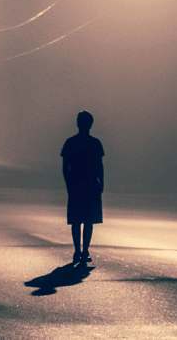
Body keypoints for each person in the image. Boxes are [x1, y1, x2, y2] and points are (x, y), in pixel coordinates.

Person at [61, 110, 104, 266]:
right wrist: (102, 182)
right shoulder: (95, 143)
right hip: (91, 184)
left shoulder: (70, 143)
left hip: (76, 184)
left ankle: (78, 251)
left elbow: (65, 167)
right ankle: (84, 250)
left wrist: (68, 184)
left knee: (76, 220)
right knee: (88, 220)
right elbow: (100, 166)